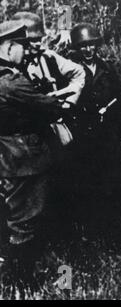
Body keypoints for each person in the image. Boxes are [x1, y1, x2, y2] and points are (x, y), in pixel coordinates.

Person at [0, 20, 66, 279]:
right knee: (25, 219)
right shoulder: (12, 82)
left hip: (5, 155)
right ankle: (21, 278)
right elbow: (50, 107)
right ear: (8, 47)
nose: (26, 52)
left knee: (10, 212)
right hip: (23, 158)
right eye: (22, 47)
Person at [67, 23, 121, 237]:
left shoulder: (107, 68)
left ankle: (108, 227)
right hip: (82, 134)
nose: (88, 50)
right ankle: (85, 228)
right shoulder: (69, 69)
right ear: (77, 47)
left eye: (91, 45)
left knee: (109, 179)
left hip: (107, 134)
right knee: (84, 181)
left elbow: (120, 101)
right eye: (83, 46)